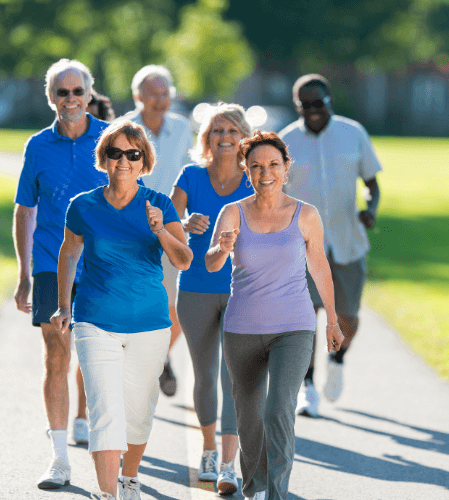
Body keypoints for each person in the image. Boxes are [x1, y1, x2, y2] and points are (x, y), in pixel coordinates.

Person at [50, 119, 192, 500]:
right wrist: (64, 305)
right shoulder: (83, 206)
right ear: (104, 159)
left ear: (144, 162)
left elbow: (184, 260)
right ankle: (109, 494)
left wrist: (161, 230)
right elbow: (69, 251)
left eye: (133, 154)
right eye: (116, 153)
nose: (124, 161)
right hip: (96, 320)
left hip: (150, 324)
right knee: (105, 410)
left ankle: (130, 478)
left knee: (138, 413)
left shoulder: (159, 204)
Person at [206, 131, 344, 500]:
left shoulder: (306, 215)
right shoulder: (233, 212)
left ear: (286, 169)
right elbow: (210, 262)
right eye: (256, 166)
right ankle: (255, 487)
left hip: (294, 328)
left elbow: (320, 268)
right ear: (246, 171)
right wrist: (222, 248)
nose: (265, 172)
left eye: (273, 165)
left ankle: (277, 494)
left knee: (279, 409)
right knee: (249, 418)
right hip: (242, 329)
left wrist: (331, 319)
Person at [13, 58, 109, 489]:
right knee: (57, 354)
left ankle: (91, 422)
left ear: (89, 95)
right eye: (61, 92)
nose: (70, 99)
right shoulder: (37, 146)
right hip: (52, 263)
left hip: (103, 264)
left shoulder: (110, 141)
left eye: (77, 91)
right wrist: (24, 274)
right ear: (50, 97)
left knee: (97, 353)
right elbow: (25, 209)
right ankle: (58, 458)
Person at [279, 74, 382, 418]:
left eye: (317, 104)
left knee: (349, 317)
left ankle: (337, 358)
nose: (312, 111)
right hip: (303, 245)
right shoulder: (287, 140)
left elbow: (371, 183)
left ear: (329, 100)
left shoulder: (353, 133)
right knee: (307, 318)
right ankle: (308, 386)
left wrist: (371, 209)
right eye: (304, 105)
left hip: (348, 240)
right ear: (297, 106)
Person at [170, 102, 253, 494]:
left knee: (234, 378)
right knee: (204, 374)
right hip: (196, 290)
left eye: (233, 131)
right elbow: (165, 226)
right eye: (217, 131)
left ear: (245, 139)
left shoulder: (256, 181)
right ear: (206, 138)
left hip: (242, 291)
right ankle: (206, 449)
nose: (224, 138)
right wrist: (184, 224)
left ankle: (228, 464)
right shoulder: (190, 176)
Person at [123, 65, 194, 397]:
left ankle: (160, 356)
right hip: (130, 234)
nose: (159, 100)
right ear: (138, 96)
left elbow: (190, 175)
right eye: (152, 94)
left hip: (171, 231)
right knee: (136, 304)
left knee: (176, 308)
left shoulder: (181, 128)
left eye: (165, 94)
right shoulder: (123, 129)